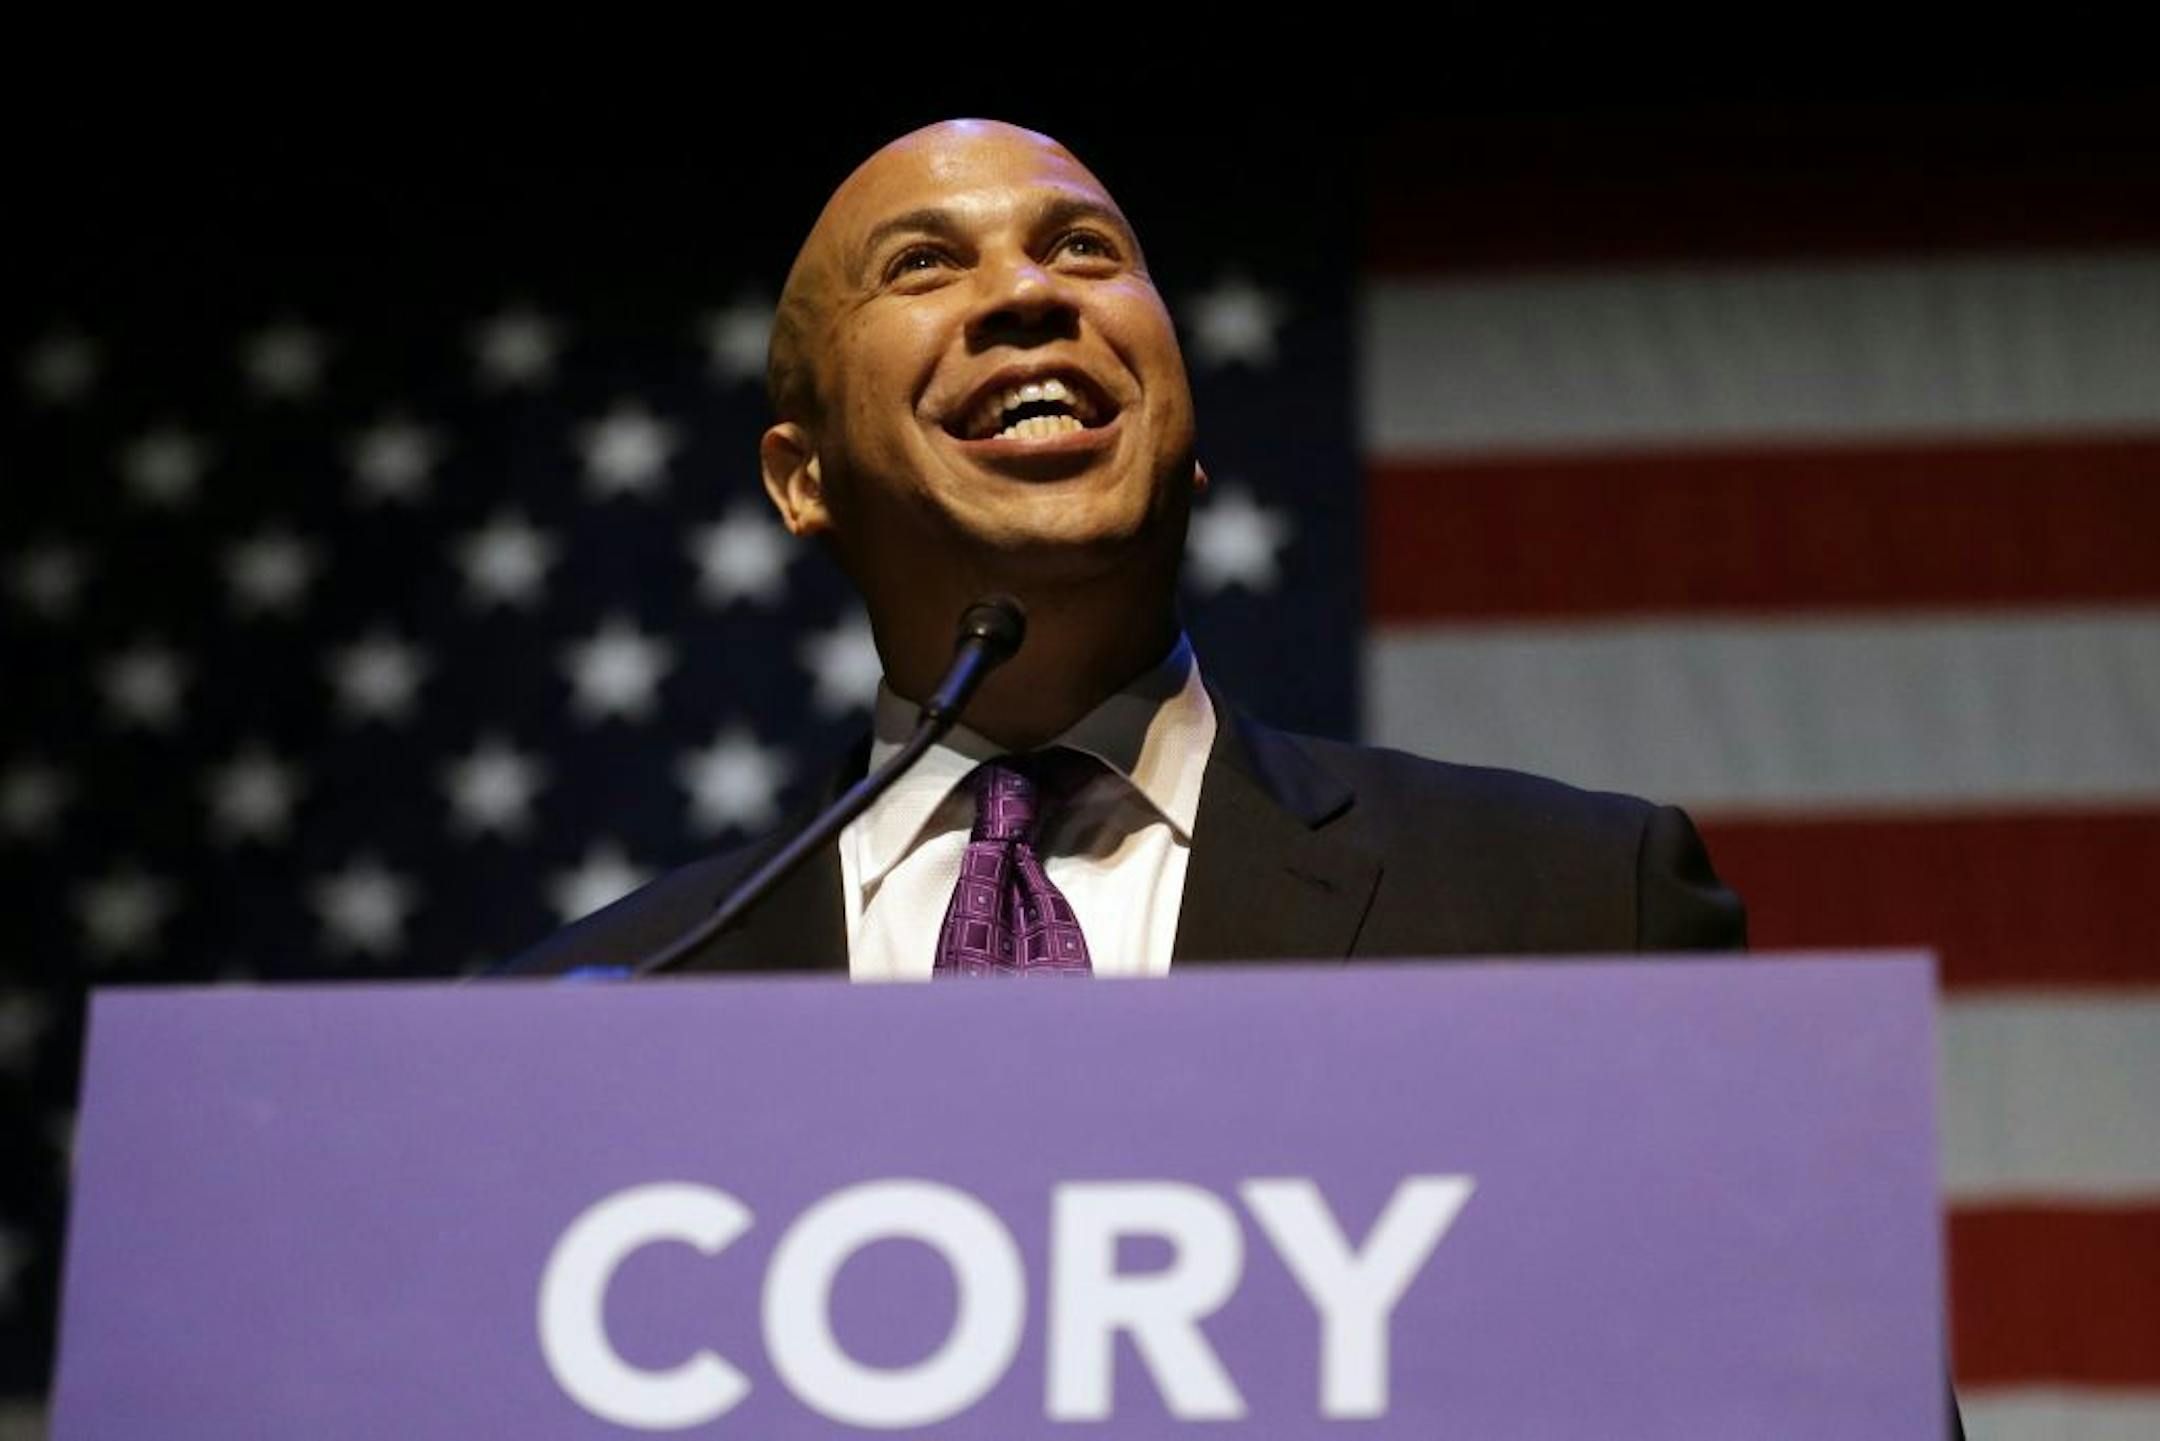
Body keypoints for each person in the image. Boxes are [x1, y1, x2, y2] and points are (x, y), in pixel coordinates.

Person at [504, 117, 1745, 981]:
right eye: (925, 263)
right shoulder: (589, 1019)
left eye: (1083, 247)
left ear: (1181, 433)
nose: (1029, 293)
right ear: (803, 478)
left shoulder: (1580, 905)